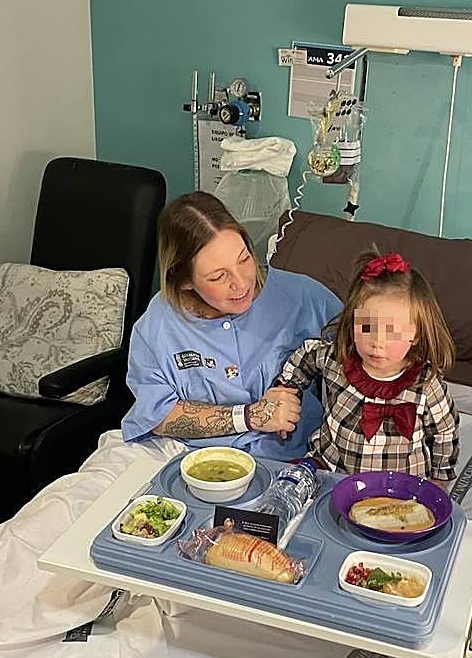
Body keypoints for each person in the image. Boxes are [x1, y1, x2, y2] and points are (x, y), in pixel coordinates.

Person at [122, 191, 341, 459]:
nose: (241, 283)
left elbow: (368, 358)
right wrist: (250, 416)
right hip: (187, 455)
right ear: (184, 280)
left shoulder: (305, 298)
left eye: (244, 259)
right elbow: (156, 415)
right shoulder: (159, 325)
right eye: (218, 277)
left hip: (290, 460)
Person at [276, 250, 459, 481]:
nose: (377, 343)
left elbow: (444, 433)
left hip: (398, 484)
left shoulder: (427, 386)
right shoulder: (337, 360)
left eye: (391, 332)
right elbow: (306, 356)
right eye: (366, 327)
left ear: (417, 335)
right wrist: (285, 391)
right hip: (331, 468)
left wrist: (440, 478)